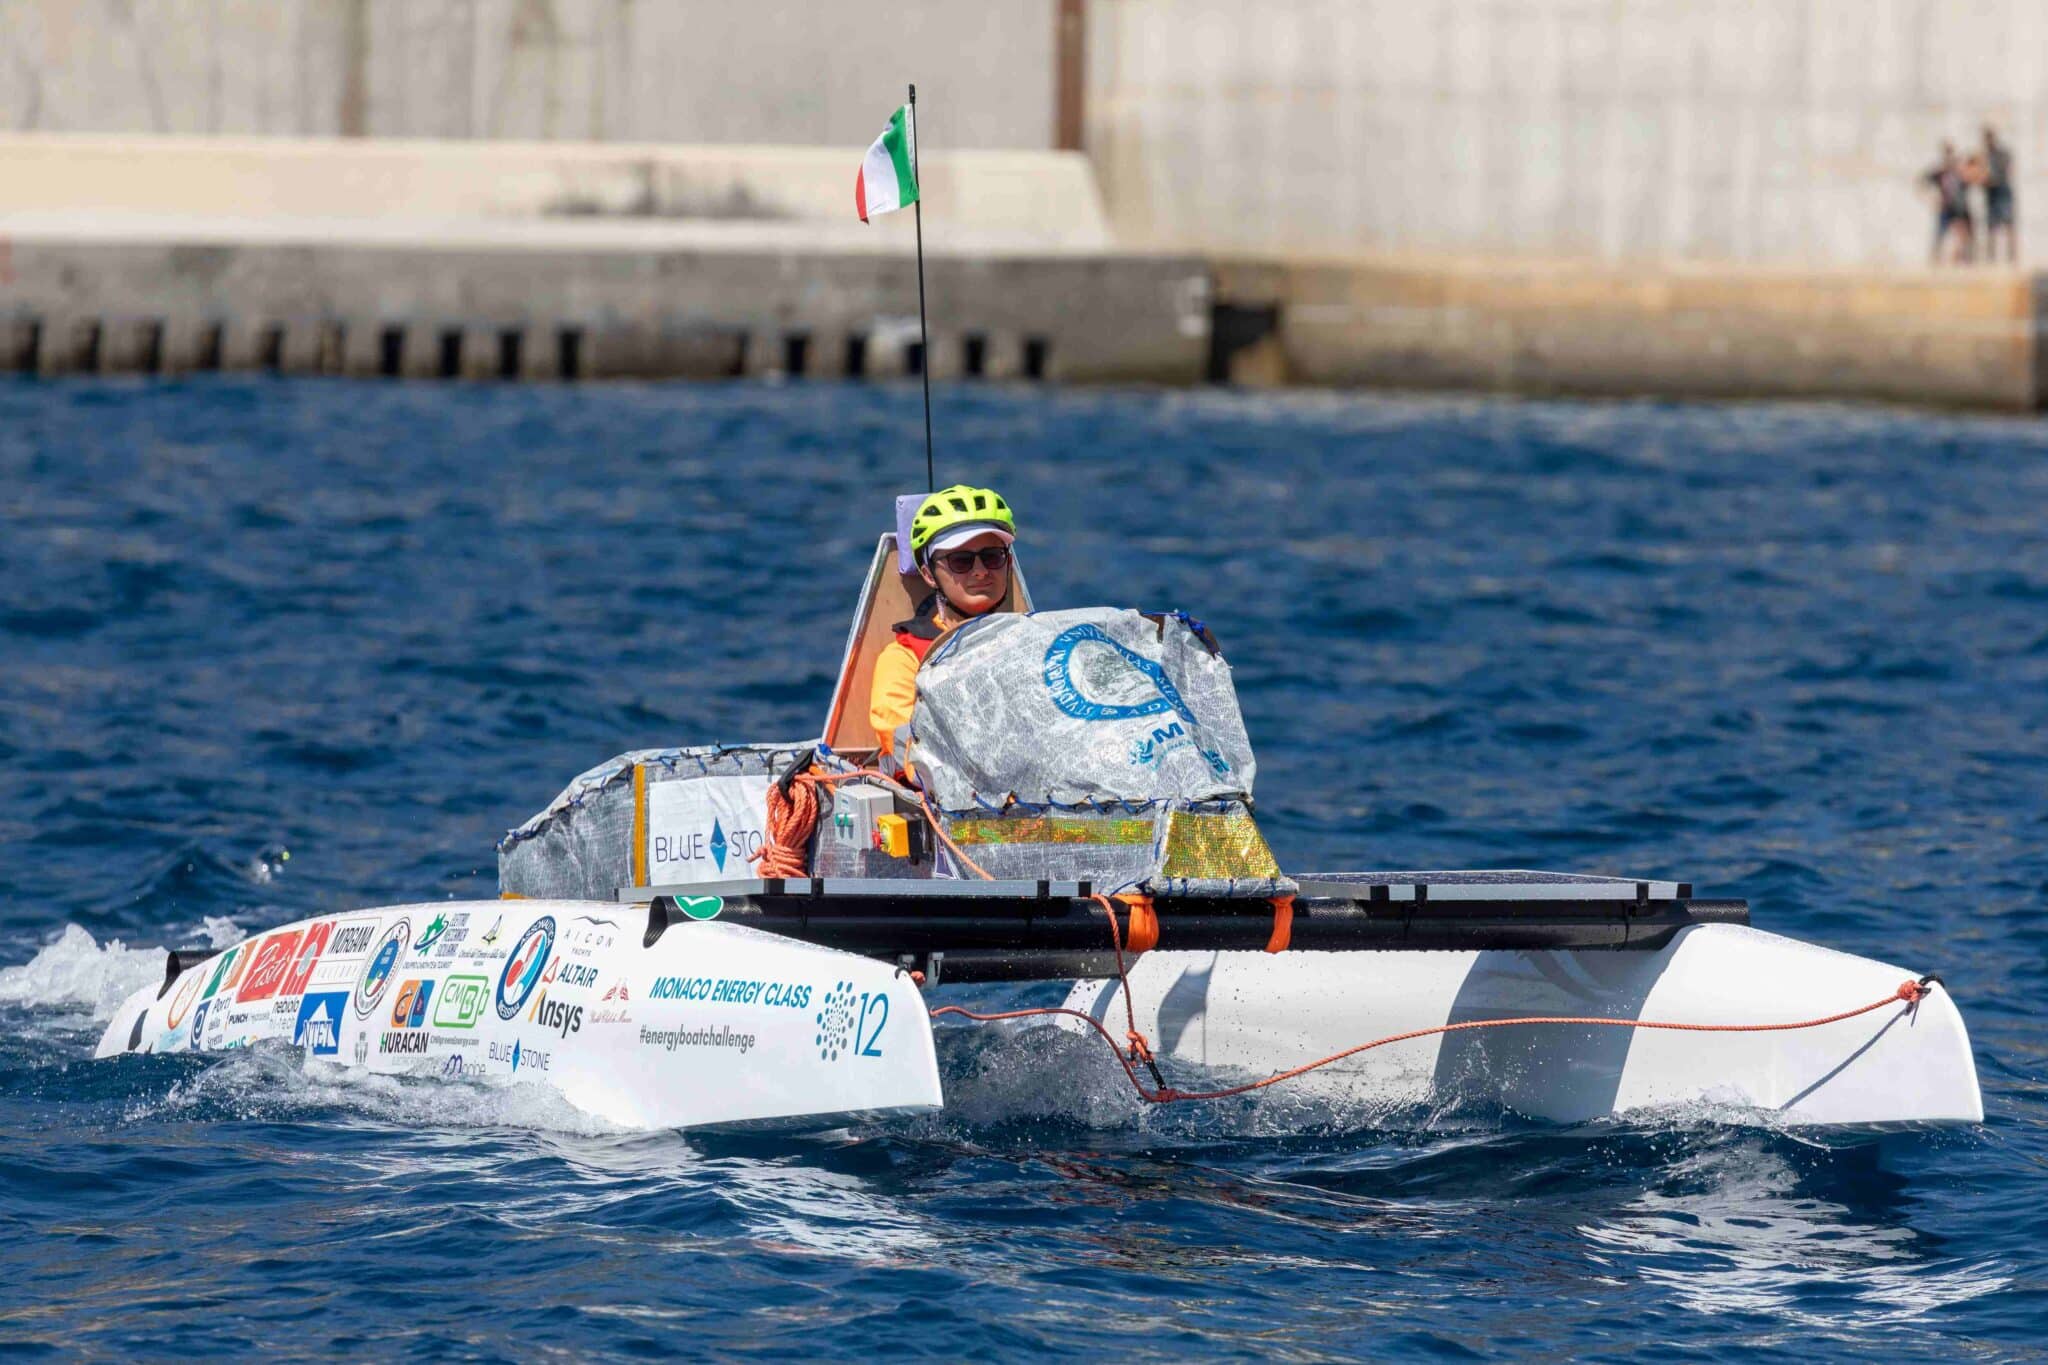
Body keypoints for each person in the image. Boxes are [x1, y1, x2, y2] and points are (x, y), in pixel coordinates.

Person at [868, 484, 1017, 759]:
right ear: (928, 574)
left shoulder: (1032, 640)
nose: (981, 571)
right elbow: (912, 755)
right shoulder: (905, 661)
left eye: (992, 557)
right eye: (961, 561)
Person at [1925, 142, 1975, 265]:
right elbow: (1923, 183)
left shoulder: (1960, 172)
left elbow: (1972, 177)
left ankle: (1963, 260)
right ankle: (1936, 261)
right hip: (1946, 209)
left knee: (1964, 237)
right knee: (1940, 236)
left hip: (1960, 208)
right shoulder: (1940, 172)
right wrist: (1932, 199)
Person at [1981, 126, 2017, 264]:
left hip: (2002, 193)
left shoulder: (2002, 154)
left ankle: (2012, 258)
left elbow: (2005, 172)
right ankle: (1991, 259)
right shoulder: (1984, 155)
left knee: (2009, 226)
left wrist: (1988, 178)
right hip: (1991, 195)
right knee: (1991, 227)